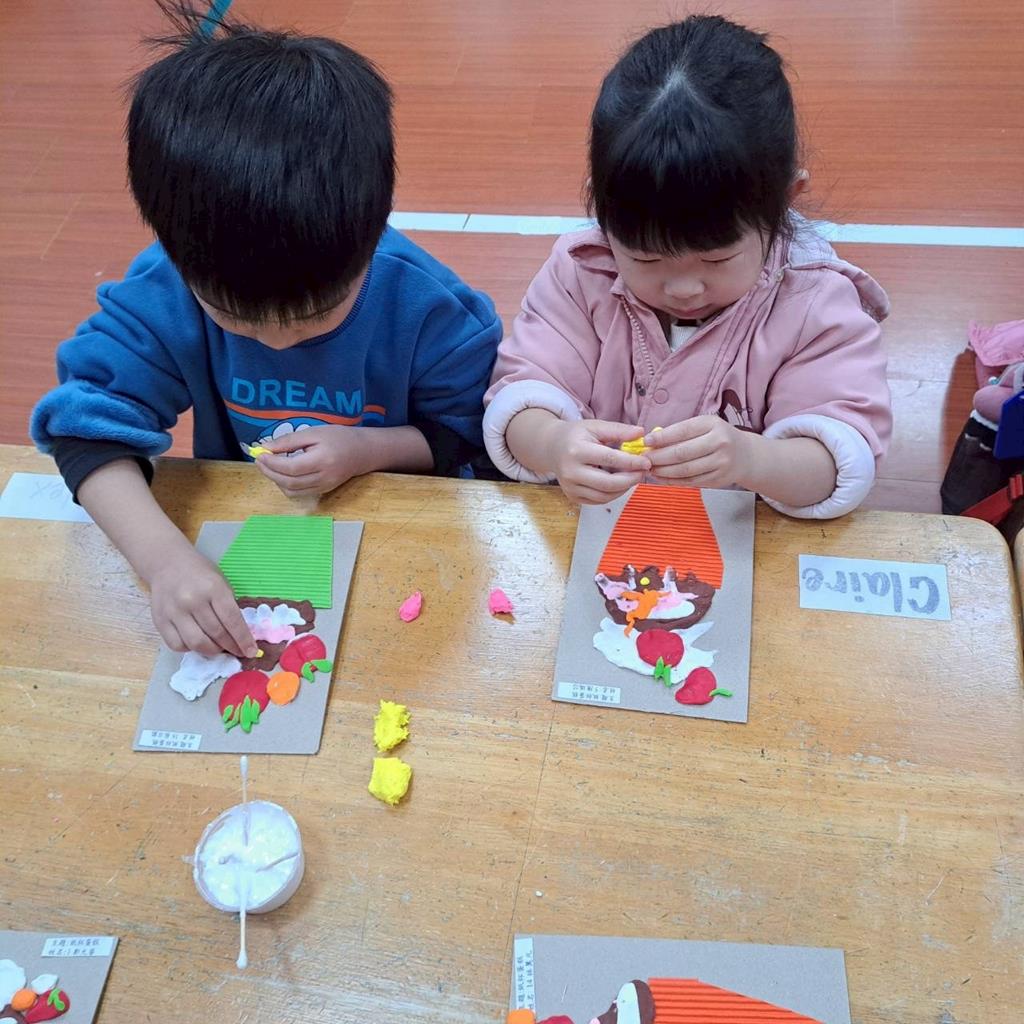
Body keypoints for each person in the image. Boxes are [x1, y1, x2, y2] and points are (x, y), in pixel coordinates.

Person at [30, 2, 501, 659]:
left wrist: (366, 450)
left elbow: (468, 437)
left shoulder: (428, 309)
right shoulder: (168, 288)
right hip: (257, 543)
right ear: (179, 259)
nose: (279, 342)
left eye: (315, 314)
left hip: (408, 543)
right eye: (234, 316)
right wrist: (163, 560)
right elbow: (86, 430)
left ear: (369, 236)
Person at [483, 15, 891, 517]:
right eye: (645, 258)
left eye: (717, 258)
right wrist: (553, 443)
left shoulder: (815, 304)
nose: (683, 288)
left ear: (785, 200)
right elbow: (522, 396)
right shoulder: (581, 272)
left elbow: (836, 461)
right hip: (599, 529)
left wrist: (751, 459)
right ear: (602, 209)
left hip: (741, 539)